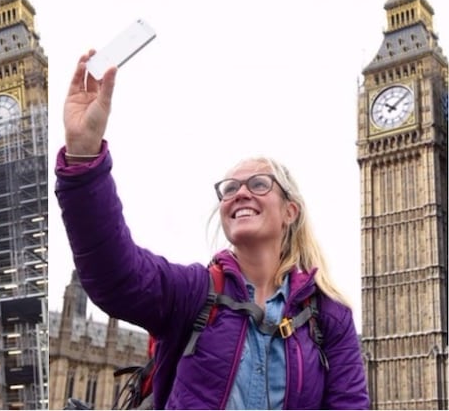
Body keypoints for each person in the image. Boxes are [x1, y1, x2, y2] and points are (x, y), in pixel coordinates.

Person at [54, 51, 369, 410]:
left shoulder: (329, 317)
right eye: (230, 189)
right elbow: (116, 274)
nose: (242, 193)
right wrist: (83, 154)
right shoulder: (193, 293)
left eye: (259, 184)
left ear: (290, 211)